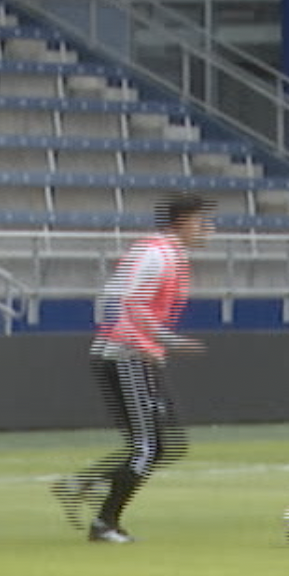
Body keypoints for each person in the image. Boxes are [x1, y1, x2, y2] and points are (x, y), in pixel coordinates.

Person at [51, 194, 210, 544]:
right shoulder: (156, 254)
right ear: (182, 221)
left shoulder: (166, 254)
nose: (207, 230)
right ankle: (104, 523)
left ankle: (81, 485)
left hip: (134, 355)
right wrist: (158, 341)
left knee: (167, 444)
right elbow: (124, 300)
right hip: (126, 356)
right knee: (149, 446)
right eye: (202, 222)